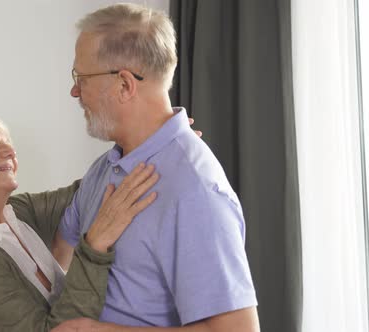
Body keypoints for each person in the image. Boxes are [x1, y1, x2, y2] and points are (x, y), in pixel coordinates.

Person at [52, 3, 260, 331]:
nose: (75, 90)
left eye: (82, 78)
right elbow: (58, 252)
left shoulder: (194, 189)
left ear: (124, 84)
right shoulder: (104, 168)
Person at [0, 112, 159, 331]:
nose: (11, 152)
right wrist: (94, 246)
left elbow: (92, 190)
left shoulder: (17, 212)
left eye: (9, 144)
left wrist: (154, 143)